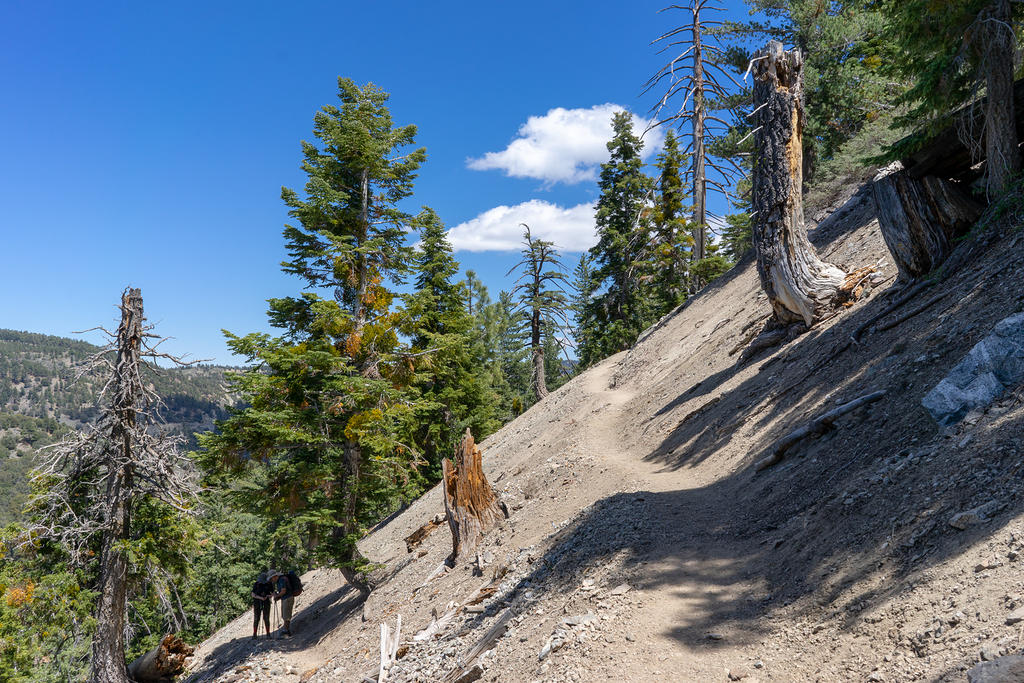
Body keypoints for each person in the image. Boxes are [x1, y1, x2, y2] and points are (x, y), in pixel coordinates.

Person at [268, 569, 295, 637]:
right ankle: (286, 630)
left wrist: (277, 596)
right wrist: (278, 597)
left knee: (286, 615)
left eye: (271, 579)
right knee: (284, 615)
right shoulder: (279, 580)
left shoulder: (282, 579)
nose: (272, 580)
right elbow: (283, 592)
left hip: (288, 598)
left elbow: (283, 591)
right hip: (285, 598)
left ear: (274, 576)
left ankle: (286, 632)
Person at [251, 571, 273, 640]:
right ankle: (255, 634)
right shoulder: (257, 584)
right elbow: (252, 594)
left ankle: (268, 633)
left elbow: (273, 593)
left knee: (266, 618)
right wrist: (260, 597)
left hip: (265, 602)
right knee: (257, 618)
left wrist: (268, 596)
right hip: (258, 602)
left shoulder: (269, 584)